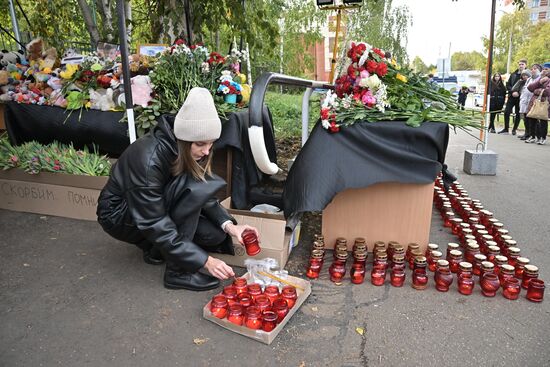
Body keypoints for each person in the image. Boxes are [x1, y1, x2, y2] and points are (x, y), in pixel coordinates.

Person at [97, 87, 259, 290]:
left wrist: (229, 225)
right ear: (184, 139)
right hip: (120, 216)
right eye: (201, 144)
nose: (207, 150)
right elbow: (154, 220)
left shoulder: (187, 148)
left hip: (150, 208)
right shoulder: (149, 158)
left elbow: (199, 192)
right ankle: (178, 272)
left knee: (214, 235)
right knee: (189, 193)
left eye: (211, 143)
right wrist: (204, 261)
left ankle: (156, 250)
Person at [500, 59, 527, 135]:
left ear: (525, 65)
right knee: (507, 112)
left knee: (518, 114)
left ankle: (514, 129)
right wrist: (512, 92)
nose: (521, 66)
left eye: (522, 64)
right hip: (512, 96)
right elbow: (508, 84)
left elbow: (526, 86)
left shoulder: (527, 75)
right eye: (520, 64)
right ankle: (506, 129)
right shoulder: (513, 74)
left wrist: (518, 93)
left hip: (520, 97)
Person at [526, 70, 550, 145]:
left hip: (544, 102)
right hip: (534, 102)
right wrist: (539, 82)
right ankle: (532, 136)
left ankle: (543, 138)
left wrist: (536, 91)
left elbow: (547, 92)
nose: (543, 72)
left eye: (546, 70)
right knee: (532, 118)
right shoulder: (539, 79)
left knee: (543, 120)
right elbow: (530, 87)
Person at [520, 64, 542, 141]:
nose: (532, 70)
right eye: (532, 69)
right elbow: (525, 90)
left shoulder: (540, 79)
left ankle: (538, 136)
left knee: (534, 120)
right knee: (527, 119)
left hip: (534, 101)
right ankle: (529, 134)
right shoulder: (529, 79)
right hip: (526, 101)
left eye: (534, 69)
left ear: (539, 70)